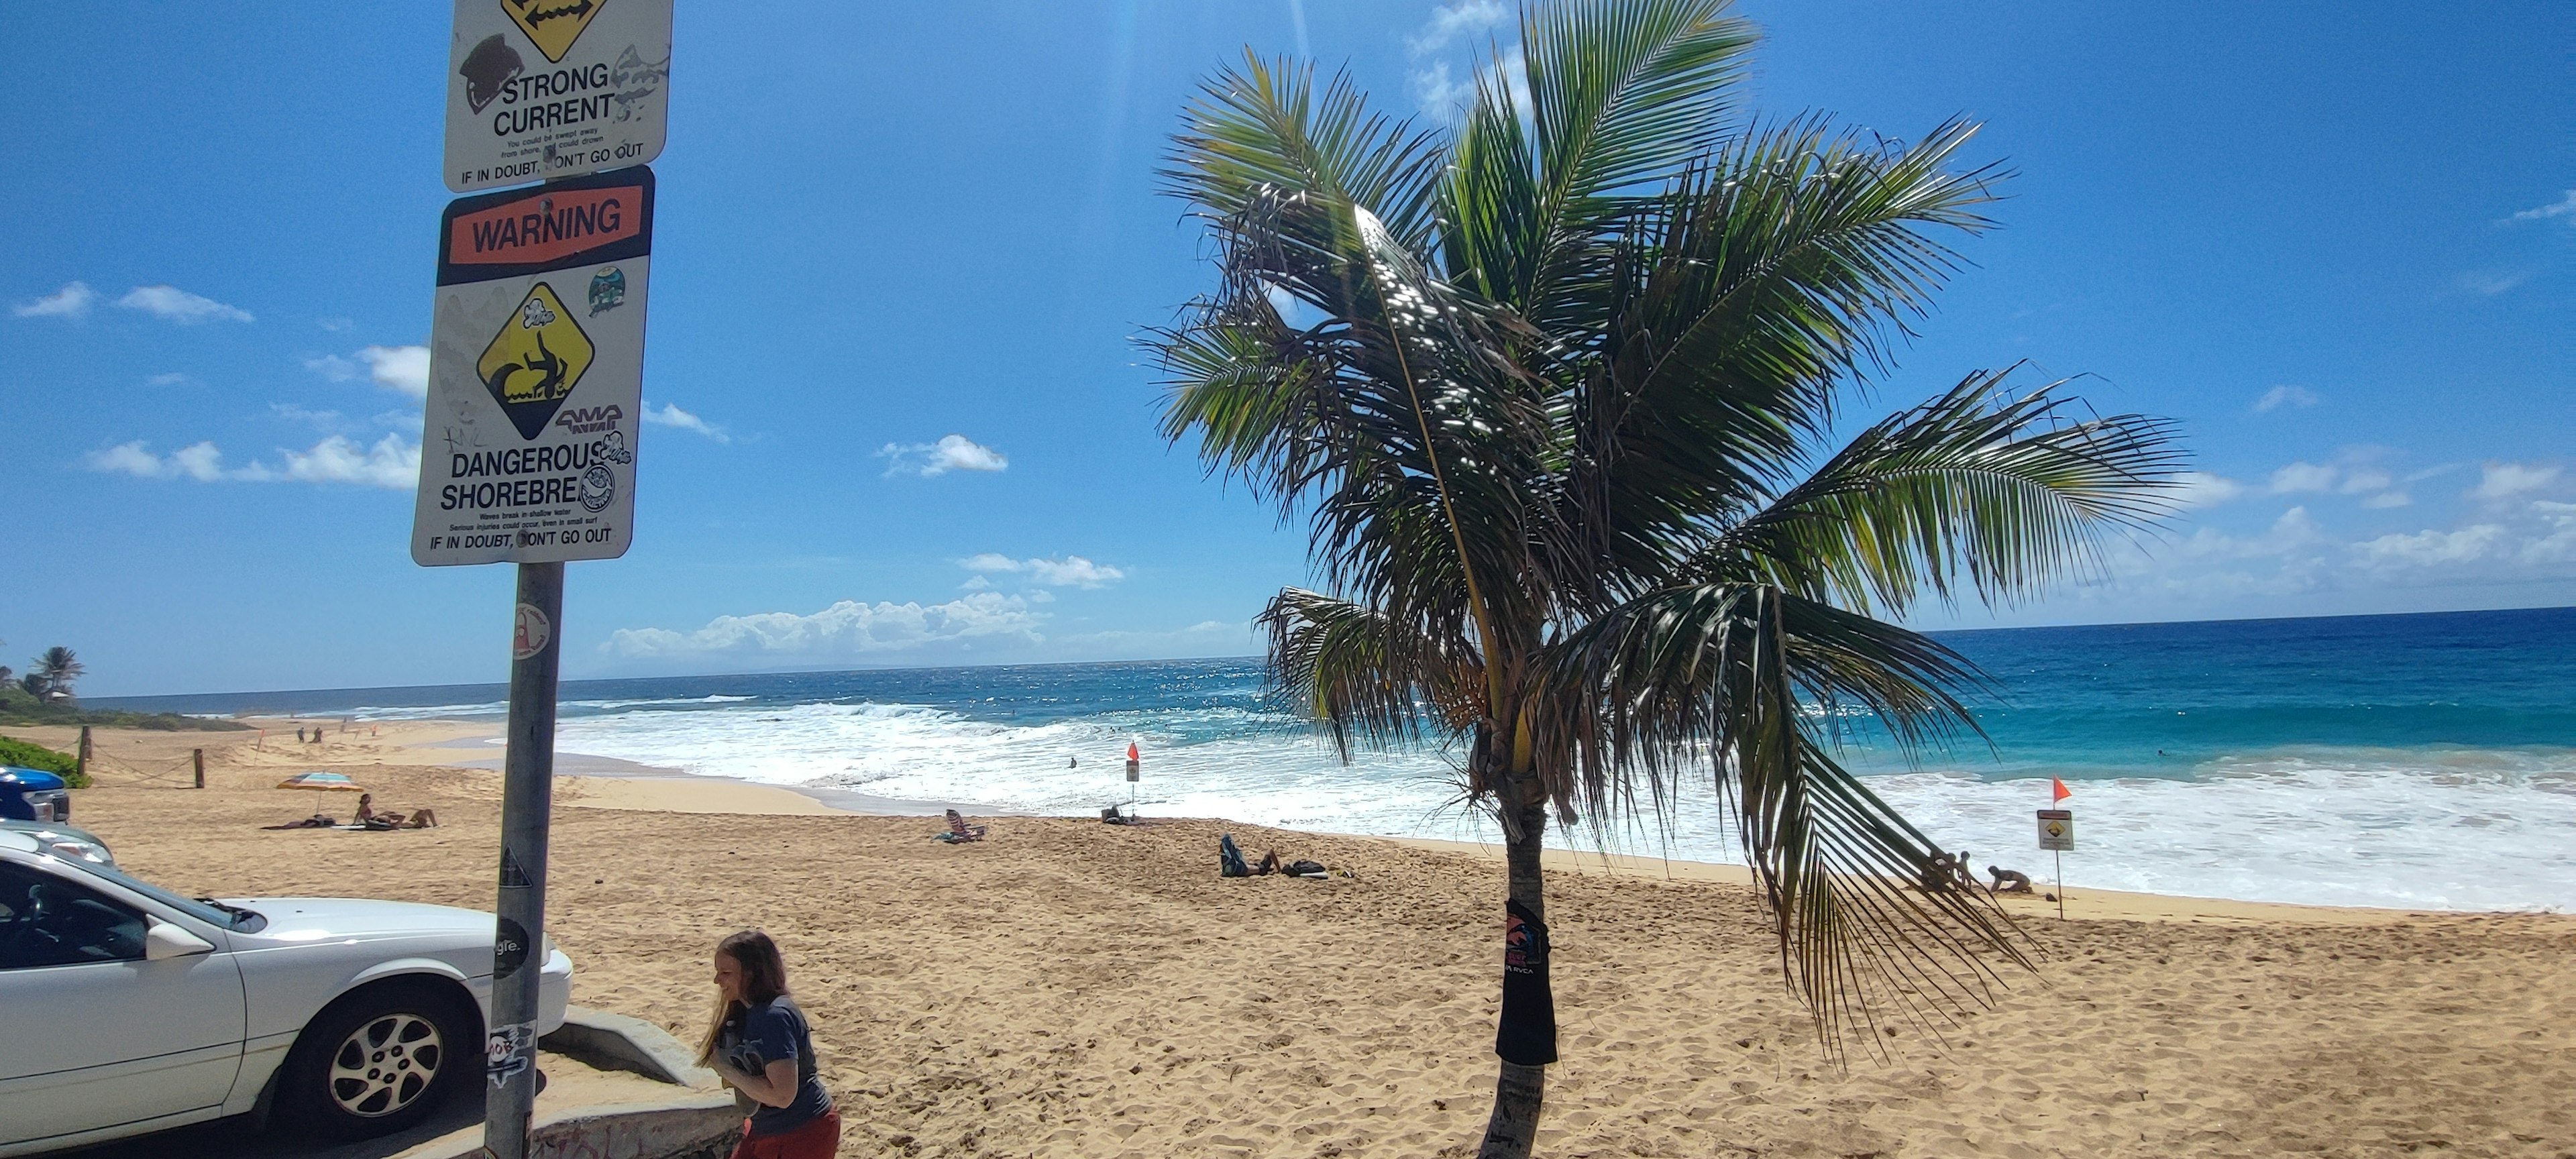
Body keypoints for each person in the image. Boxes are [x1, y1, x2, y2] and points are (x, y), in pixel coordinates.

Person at [700, 930, 839, 1159]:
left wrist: (725, 1069)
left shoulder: (775, 1017)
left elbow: (782, 1096)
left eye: (726, 973)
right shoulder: (746, 1010)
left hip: (803, 1131)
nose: (717, 981)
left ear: (752, 975)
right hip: (765, 1128)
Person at [354, 793, 438, 830]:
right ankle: (433, 825)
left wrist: (386, 815)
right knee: (427, 813)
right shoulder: (394, 824)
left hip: (411, 822)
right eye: (367, 798)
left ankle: (432, 826)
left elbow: (359, 815)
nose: (369, 800)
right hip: (415, 824)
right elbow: (360, 815)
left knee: (423, 811)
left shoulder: (364, 807)